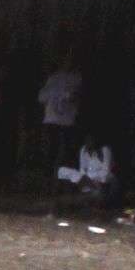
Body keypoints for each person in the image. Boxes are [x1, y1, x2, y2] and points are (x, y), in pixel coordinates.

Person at [37, 55, 88, 190]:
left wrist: (71, 97)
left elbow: (79, 97)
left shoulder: (77, 78)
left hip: (67, 120)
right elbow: (42, 97)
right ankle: (48, 182)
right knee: (51, 151)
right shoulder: (53, 78)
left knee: (66, 152)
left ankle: (64, 182)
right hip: (52, 119)